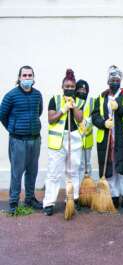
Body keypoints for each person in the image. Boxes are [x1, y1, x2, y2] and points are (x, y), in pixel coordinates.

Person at [92, 65, 123, 208]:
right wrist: (104, 123)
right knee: (110, 168)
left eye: (117, 79)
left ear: (120, 80)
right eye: (112, 79)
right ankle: (114, 196)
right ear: (108, 81)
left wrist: (119, 108)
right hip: (106, 139)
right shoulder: (101, 97)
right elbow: (95, 116)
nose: (115, 82)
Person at [0, 66, 43, 214]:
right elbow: (2, 115)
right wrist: (13, 129)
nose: (27, 78)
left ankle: (30, 199)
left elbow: (39, 111)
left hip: (35, 140)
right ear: (19, 78)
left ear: (33, 77)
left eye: (29, 75)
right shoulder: (11, 96)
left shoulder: (37, 95)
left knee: (32, 171)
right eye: (24, 75)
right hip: (18, 141)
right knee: (16, 172)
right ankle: (13, 202)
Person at [43, 69, 83, 216]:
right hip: (58, 141)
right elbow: (51, 119)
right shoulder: (54, 99)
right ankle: (49, 203)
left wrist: (73, 107)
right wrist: (63, 109)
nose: (69, 89)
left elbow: (80, 119)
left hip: (74, 139)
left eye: (72, 87)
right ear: (62, 86)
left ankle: (72, 200)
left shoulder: (79, 101)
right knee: (54, 172)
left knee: (73, 172)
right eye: (67, 86)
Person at [75, 80, 94, 182]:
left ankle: (86, 188)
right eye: (80, 89)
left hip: (87, 139)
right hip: (75, 139)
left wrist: (87, 122)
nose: (82, 91)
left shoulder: (91, 101)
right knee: (76, 164)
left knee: (87, 165)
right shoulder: (73, 101)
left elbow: (94, 115)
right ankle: (75, 190)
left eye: (84, 89)